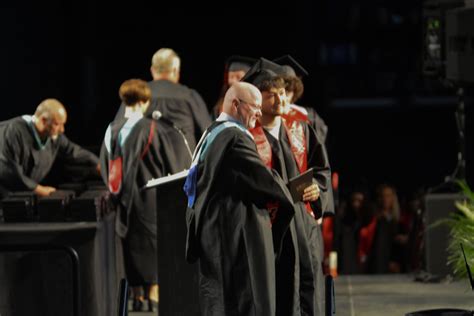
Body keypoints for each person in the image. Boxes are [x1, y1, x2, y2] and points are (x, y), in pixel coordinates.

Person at [183, 81, 296, 316]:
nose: (259, 112)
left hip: (213, 233)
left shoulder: (212, 131)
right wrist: (292, 191)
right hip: (233, 236)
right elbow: (263, 180)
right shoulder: (235, 138)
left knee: (219, 301)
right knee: (242, 301)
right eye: (254, 106)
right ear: (236, 104)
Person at [243, 57, 332, 315]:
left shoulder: (300, 130)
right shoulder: (246, 136)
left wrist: (317, 188)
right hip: (269, 228)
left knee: (308, 287)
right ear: (258, 99)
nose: (280, 100)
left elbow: (321, 169)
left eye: (282, 93)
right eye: (271, 95)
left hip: (303, 227)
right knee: (276, 292)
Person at [100, 79, 192, 312]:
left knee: (129, 251)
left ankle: (136, 296)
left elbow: (104, 164)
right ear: (144, 101)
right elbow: (170, 163)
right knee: (151, 251)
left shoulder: (111, 128)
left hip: (120, 201)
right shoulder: (153, 128)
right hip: (148, 201)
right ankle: (153, 298)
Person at [115, 48, 212, 151]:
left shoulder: (137, 95)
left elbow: (117, 131)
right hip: (183, 164)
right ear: (175, 70)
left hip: (145, 163)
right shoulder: (189, 96)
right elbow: (210, 135)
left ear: (152, 70)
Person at [0, 98, 99, 199]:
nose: (62, 129)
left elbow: (73, 151)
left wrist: (97, 163)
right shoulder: (13, 133)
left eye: (63, 124)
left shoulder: (52, 135)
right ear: (43, 120)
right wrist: (38, 189)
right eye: (57, 124)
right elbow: (7, 171)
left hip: (22, 195)